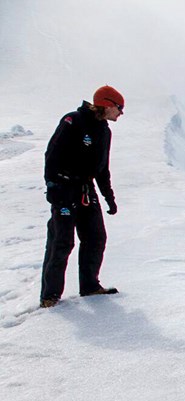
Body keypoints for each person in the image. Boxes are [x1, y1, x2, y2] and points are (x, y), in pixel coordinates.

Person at [40, 85, 125, 308]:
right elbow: (51, 154)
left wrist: (109, 197)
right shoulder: (73, 121)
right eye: (119, 108)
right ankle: (50, 296)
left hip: (86, 191)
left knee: (96, 238)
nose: (121, 113)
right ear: (107, 104)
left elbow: (102, 169)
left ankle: (89, 285)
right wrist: (52, 186)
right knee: (62, 242)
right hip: (64, 189)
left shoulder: (104, 131)